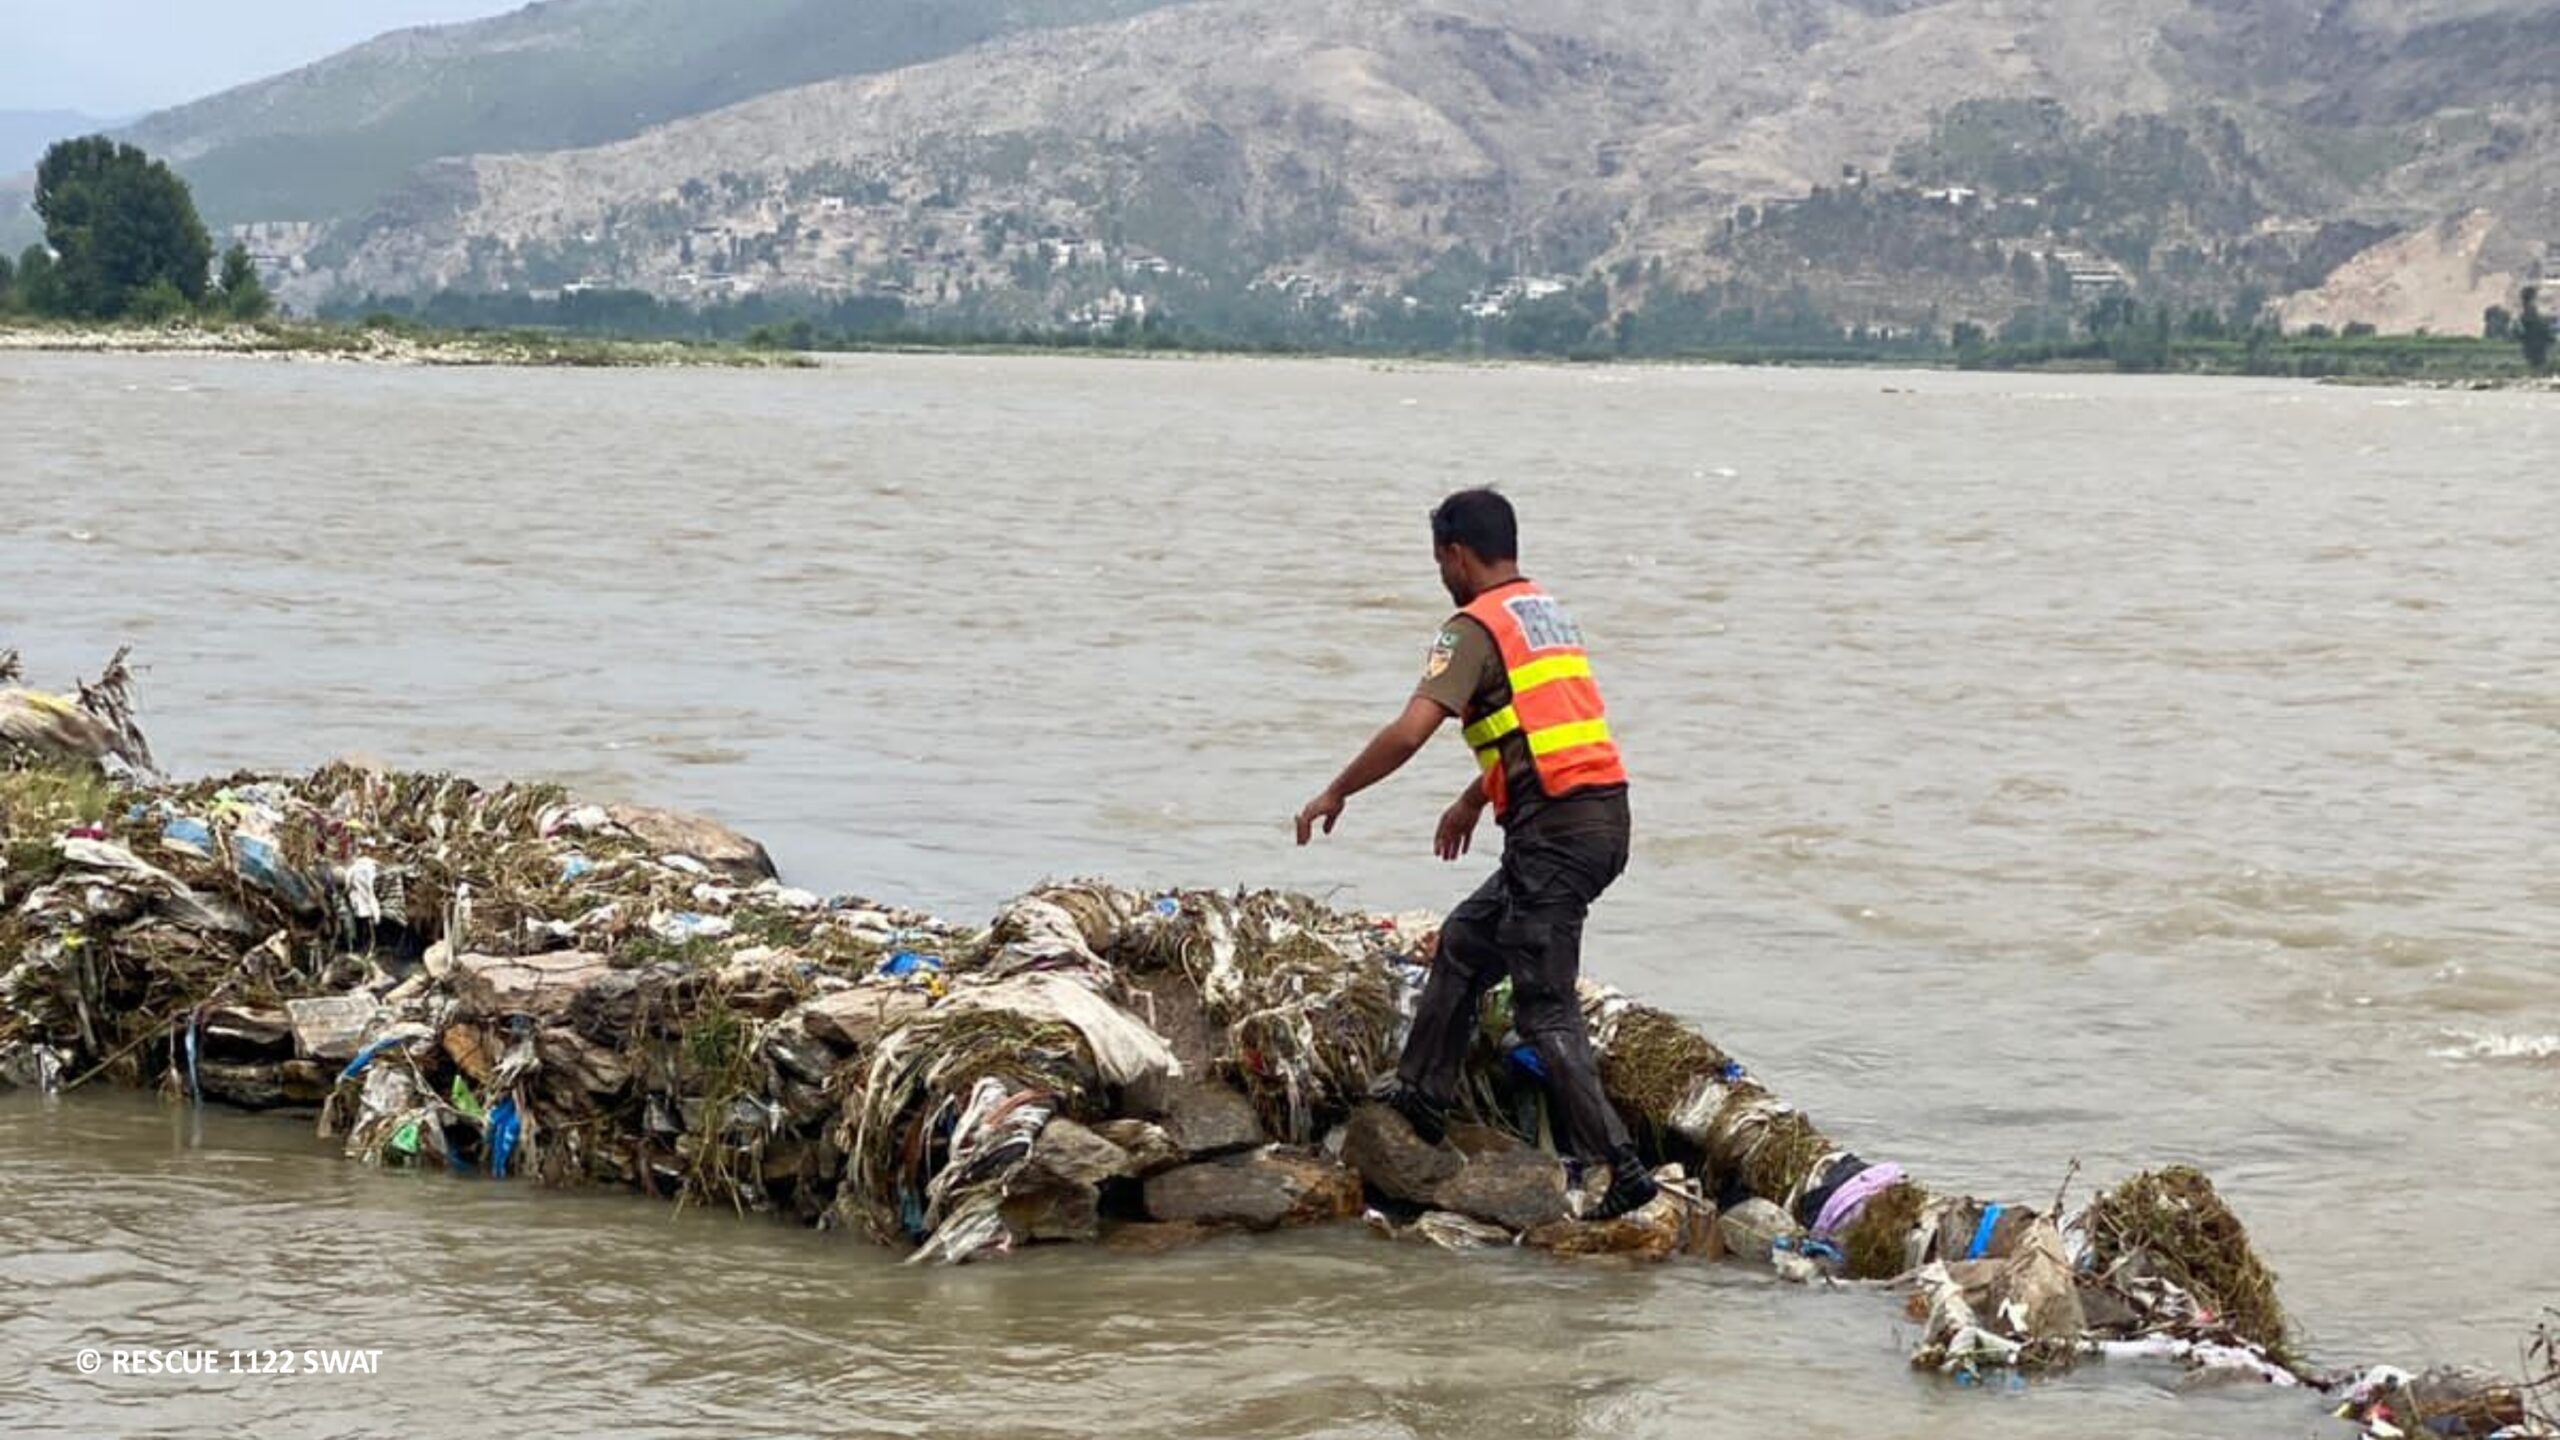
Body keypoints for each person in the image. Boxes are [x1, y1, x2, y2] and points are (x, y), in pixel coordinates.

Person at [1294, 487, 1656, 1221]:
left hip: (1554, 833)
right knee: (1464, 941)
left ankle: (1622, 1170)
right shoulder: (1544, 615)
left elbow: (1409, 730)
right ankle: (1424, 1094)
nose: (1440, 575)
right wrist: (1472, 798)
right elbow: (1538, 725)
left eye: (1439, 561)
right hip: (1599, 819)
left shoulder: (1469, 630)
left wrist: (1337, 791)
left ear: (1456, 555)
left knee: (1545, 1008)